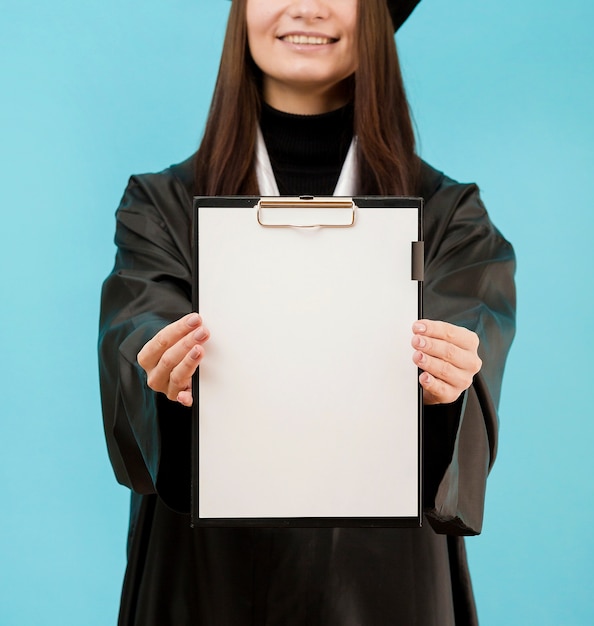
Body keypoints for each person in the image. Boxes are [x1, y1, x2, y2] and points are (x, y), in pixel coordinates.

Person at [98, 0, 516, 624]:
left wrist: (449, 382)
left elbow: (468, 361)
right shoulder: (160, 208)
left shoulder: (450, 217)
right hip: (204, 569)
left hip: (384, 579)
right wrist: (162, 367)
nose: (306, 8)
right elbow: (139, 330)